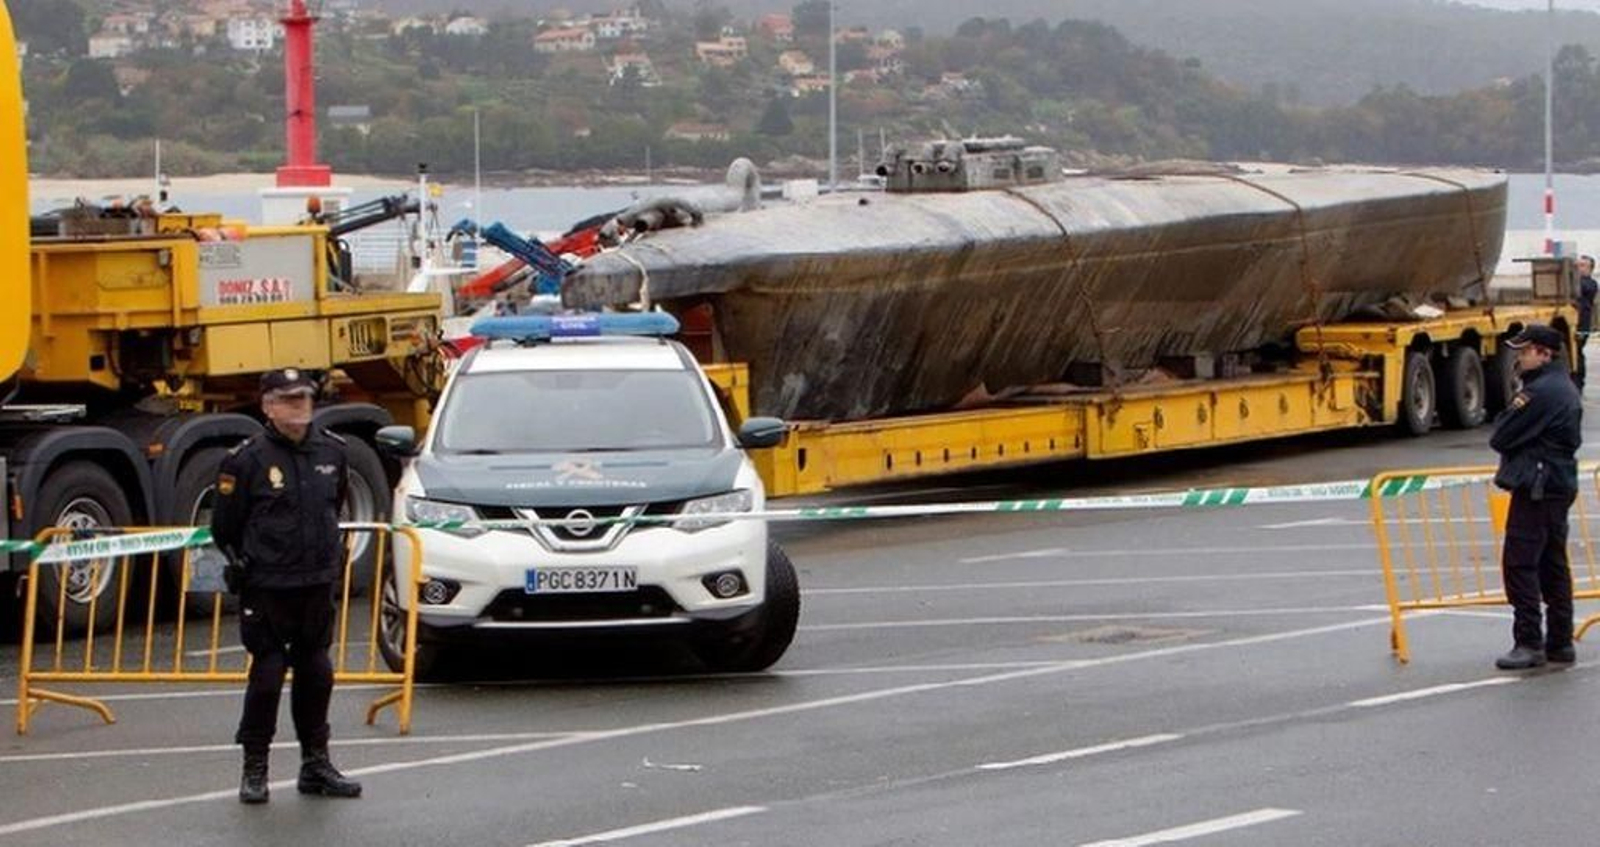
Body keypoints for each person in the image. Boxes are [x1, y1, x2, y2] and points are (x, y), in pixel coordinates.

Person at [212, 368, 363, 804]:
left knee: (317, 672)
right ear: (268, 406)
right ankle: (254, 767)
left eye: (305, 400)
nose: (300, 408)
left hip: (315, 581)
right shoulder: (245, 460)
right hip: (268, 584)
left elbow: (333, 504)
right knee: (268, 674)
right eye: (290, 401)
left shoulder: (333, 452)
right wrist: (247, 564)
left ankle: (316, 763)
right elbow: (226, 526)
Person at [1490, 324, 1584, 670]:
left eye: (1525, 351)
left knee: (1521, 562)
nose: (1520, 357)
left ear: (1543, 353)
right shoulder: (1562, 387)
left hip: (1539, 484)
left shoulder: (1541, 393)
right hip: (1554, 482)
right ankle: (1560, 640)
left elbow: (1502, 434)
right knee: (1552, 562)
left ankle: (1529, 641)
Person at [1575, 255, 1597, 391]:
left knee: (1577, 352)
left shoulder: (1590, 284)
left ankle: (1579, 383)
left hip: (1582, 325)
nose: (1579, 268)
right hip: (1575, 323)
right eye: (1578, 265)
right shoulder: (1577, 282)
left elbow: (1581, 289)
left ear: (1590, 269)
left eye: (1583, 265)